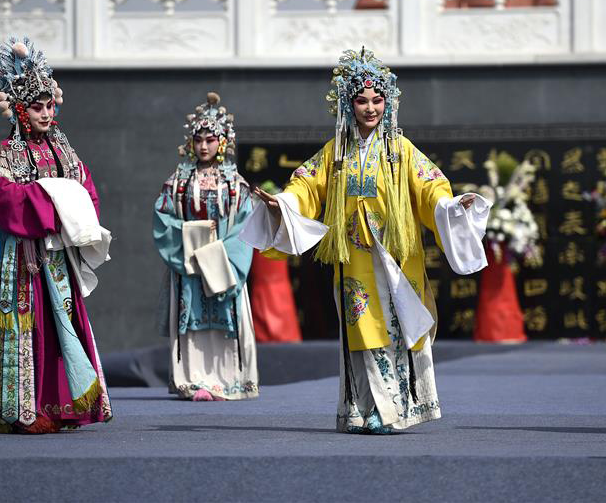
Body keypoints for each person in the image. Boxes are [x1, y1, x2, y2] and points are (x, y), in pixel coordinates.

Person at [242, 48, 490, 434]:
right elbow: (306, 185)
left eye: (377, 100)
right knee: (363, 329)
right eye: (362, 100)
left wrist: (451, 204)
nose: (370, 108)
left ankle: (395, 409)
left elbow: (430, 188)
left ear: (388, 102)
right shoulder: (336, 153)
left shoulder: (399, 150)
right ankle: (366, 407)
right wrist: (284, 203)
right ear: (348, 103)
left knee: (397, 327)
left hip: (395, 255)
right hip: (355, 257)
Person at [0, 37, 112, 433]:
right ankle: (21, 410)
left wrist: (67, 210)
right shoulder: (2, 154)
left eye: (49, 105)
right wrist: (53, 197)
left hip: (56, 254)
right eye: (36, 106)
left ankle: (64, 404)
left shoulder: (65, 152)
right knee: (22, 327)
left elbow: (87, 193)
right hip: (19, 255)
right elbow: (4, 199)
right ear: (19, 110)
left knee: (59, 324)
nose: (46, 113)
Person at [153, 92, 257, 401]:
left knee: (227, 314)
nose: (203, 146)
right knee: (191, 317)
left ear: (223, 141)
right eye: (198, 139)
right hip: (190, 263)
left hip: (224, 262)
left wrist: (221, 252)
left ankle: (230, 380)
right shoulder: (179, 181)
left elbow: (244, 224)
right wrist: (194, 238)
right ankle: (193, 379)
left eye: (210, 139)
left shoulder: (235, 183)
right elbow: (163, 217)